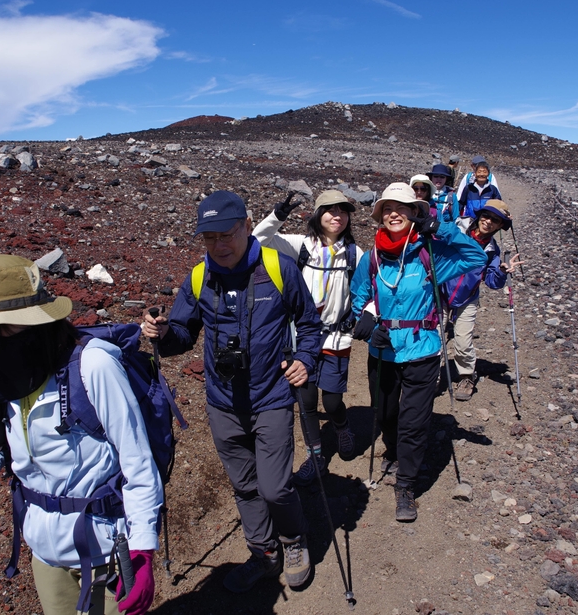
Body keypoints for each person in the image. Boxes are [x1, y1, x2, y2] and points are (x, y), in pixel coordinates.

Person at [0, 255, 163, 615]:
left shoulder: (94, 365)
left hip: (110, 548)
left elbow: (138, 463)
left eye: (5, 327)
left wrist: (142, 550)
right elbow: (1, 451)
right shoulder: (4, 373)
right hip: (45, 551)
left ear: (38, 321)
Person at [140, 190, 322, 593]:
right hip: (223, 403)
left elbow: (310, 323)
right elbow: (183, 334)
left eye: (227, 234)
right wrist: (163, 333)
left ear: (246, 226)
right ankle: (264, 552)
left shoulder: (278, 268)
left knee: (275, 487)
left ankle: (294, 539)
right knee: (244, 485)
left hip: (272, 397)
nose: (219, 245)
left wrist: (305, 360)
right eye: (210, 238)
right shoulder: (199, 277)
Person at [349, 183, 486, 522]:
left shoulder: (430, 253)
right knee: (385, 414)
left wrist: (442, 228)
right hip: (383, 352)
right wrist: (368, 321)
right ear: (380, 216)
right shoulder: (372, 257)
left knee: (413, 421)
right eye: (387, 208)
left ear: (415, 213)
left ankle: (406, 485)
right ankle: (393, 450)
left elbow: (476, 257)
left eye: (402, 207)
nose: (394, 213)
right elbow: (358, 298)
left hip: (422, 351)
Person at [252, 189, 364, 485]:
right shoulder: (300, 246)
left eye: (343, 210)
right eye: (330, 210)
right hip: (301, 339)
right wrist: (277, 216)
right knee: (306, 401)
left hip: (337, 338)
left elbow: (367, 288)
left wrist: (369, 314)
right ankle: (316, 458)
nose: (337, 216)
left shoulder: (355, 254)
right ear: (317, 214)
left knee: (332, 401)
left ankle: (341, 426)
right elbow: (257, 241)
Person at [442, 200, 523, 401]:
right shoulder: (459, 230)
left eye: (495, 220)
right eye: (486, 216)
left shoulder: (492, 251)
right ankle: (429, 377)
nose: (488, 222)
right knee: (434, 337)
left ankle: (466, 376)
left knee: (463, 340)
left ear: (500, 226)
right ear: (479, 215)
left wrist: (502, 271)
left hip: (468, 298)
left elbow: (493, 282)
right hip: (440, 291)